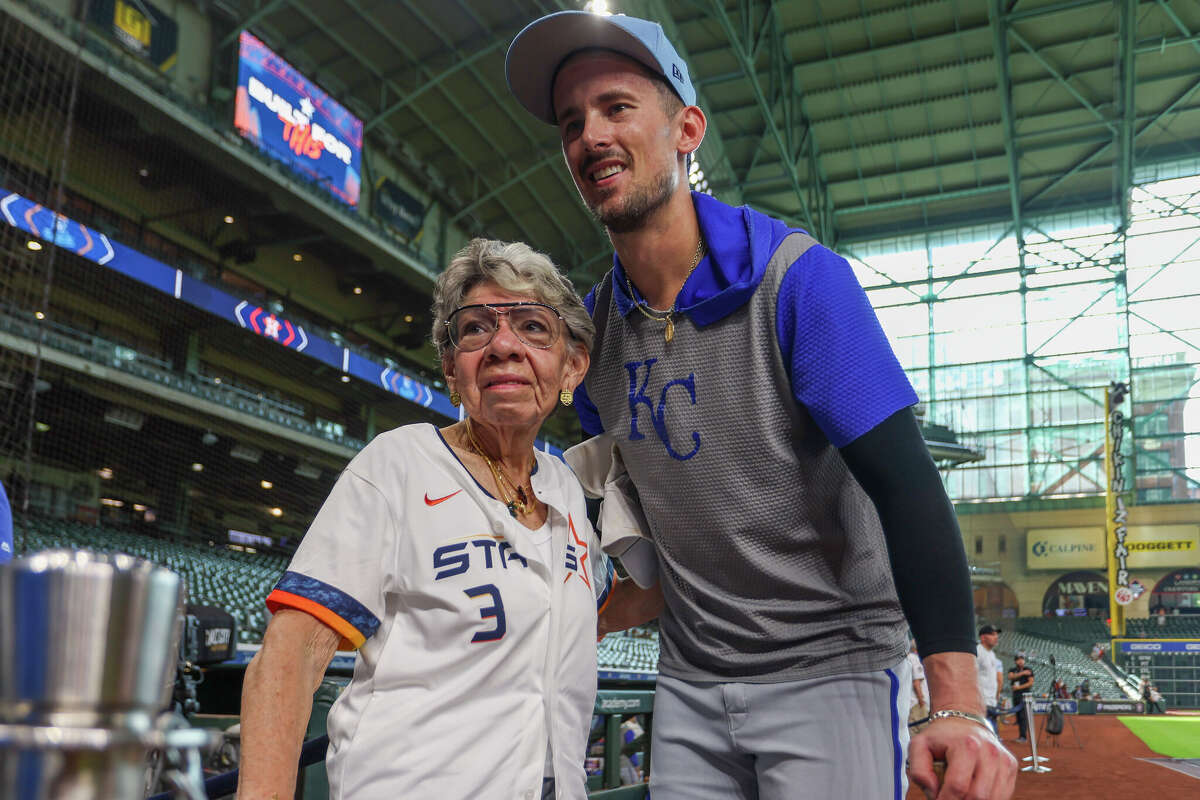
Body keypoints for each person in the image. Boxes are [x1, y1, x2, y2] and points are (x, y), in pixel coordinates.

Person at [506, 11, 1016, 800]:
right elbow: (650, 534)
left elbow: (907, 485)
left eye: (615, 108)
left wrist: (955, 698)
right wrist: (579, 615)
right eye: (571, 123)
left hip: (830, 670)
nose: (589, 137)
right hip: (692, 682)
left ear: (687, 129)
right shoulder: (594, 334)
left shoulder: (799, 281)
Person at [237, 239, 611, 800]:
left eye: (533, 327)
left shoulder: (564, 488)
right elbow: (292, 653)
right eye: (476, 328)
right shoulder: (400, 464)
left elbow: (588, 613)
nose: (503, 344)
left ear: (572, 367)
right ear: (450, 369)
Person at [976, 624, 1005, 734]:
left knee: (993, 737)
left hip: (991, 702)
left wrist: (996, 696)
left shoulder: (991, 654)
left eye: (997, 634)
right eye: (993, 634)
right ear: (983, 637)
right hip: (982, 704)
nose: (996, 637)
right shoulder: (977, 651)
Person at [1007, 653, 1035, 743]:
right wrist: (1022, 673)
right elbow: (1010, 676)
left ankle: (1023, 736)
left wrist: (1019, 687)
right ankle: (1021, 736)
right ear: (1015, 661)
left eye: (1022, 659)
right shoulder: (1013, 669)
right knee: (1018, 716)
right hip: (1015, 695)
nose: (1020, 661)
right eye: (1018, 659)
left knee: (1023, 716)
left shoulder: (1029, 669)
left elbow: (1030, 683)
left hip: (1025, 695)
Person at [907, 639, 930, 732]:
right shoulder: (913, 658)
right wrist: (922, 702)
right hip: (917, 704)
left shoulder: (906, 658)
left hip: (910, 704)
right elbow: (916, 683)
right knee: (926, 734)